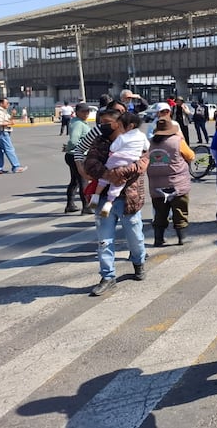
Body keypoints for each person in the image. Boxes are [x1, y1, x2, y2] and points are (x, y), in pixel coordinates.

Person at [83, 109, 149, 296]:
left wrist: (118, 174)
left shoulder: (137, 139)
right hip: (104, 200)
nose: (103, 126)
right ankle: (107, 276)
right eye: (101, 122)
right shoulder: (100, 143)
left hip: (129, 198)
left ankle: (138, 262)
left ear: (120, 124)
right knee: (104, 240)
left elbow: (142, 164)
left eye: (107, 122)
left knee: (135, 237)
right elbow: (90, 164)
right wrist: (108, 175)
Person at [89, 112, 150, 218]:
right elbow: (147, 147)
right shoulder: (142, 136)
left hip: (115, 160)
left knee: (103, 180)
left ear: (130, 126)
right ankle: (109, 203)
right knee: (118, 184)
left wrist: (111, 173)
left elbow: (113, 148)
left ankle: (96, 196)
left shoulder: (122, 138)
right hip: (130, 161)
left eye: (120, 125)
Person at [147, 118, 195, 246]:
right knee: (180, 211)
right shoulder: (178, 141)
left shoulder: (149, 143)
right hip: (177, 184)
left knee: (160, 212)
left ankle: (158, 239)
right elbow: (191, 156)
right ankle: (182, 238)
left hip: (156, 186)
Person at [64, 102, 92, 213]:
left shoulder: (78, 122)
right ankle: (86, 206)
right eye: (83, 111)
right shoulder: (78, 124)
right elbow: (74, 140)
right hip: (79, 155)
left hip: (73, 155)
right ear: (77, 112)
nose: (86, 113)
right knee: (83, 181)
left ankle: (70, 205)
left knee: (75, 181)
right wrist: (69, 148)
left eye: (88, 111)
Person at [0, 97, 27, 174]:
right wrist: (10, 123)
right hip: (1, 132)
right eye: (7, 103)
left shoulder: (2, 111)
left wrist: (13, 115)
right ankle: (16, 167)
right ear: (1, 103)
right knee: (9, 149)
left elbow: (8, 120)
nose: (8, 104)